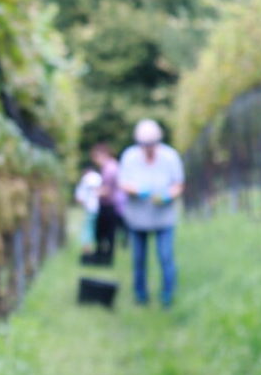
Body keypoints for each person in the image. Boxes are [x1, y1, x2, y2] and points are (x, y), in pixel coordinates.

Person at [118, 119, 184, 307]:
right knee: (138, 259)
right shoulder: (129, 157)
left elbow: (178, 185)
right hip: (137, 218)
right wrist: (138, 191)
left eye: (151, 144)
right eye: (144, 144)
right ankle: (140, 295)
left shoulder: (170, 157)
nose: (148, 148)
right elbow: (123, 183)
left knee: (165, 256)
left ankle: (167, 295)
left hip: (163, 218)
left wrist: (167, 195)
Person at [90, 143, 122, 264]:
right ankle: (106, 257)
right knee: (109, 233)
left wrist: (94, 192)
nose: (95, 161)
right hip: (111, 205)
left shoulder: (109, 169)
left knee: (103, 233)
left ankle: (104, 258)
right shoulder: (113, 166)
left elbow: (107, 191)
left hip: (108, 206)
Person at [74, 168, 102, 256]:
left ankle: (86, 249)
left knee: (88, 228)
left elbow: (79, 197)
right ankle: (88, 249)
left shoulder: (86, 179)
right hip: (96, 208)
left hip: (90, 208)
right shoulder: (97, 177)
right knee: (90, 228)